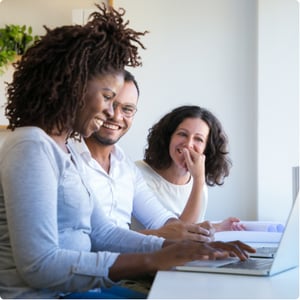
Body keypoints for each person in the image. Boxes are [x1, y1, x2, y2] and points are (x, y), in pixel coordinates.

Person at [0, 3, 255, 300]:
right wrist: (153, 259)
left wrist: (178, 249)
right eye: (108, 97)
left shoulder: (64, 149)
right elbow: (39, 266)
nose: (111, 112)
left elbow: (102, 233)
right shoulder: (31, 146)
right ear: (74, 86)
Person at [69, 70, 215, 243]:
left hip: (126, 264)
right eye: (110, 104)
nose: (116, 116)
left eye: (127, 109)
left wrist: (195, 232)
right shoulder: (67, 157)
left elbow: (162, 220)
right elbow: (84, 238)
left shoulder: (125, 167)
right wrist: (166, 234)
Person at [136, 105, 245, 231]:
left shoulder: (198, 183)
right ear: (168, 137)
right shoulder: (138, 174)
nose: (188, 144)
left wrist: (218, 227)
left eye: (198, 139)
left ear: (207, 148)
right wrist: (199, 179)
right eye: (182, 134)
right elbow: (180, 235)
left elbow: (191, 232)